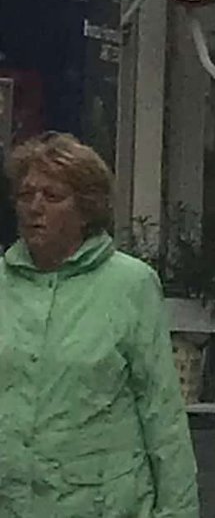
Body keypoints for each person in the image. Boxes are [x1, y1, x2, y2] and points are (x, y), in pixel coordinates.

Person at [0, 134, 198, 518]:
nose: (34, 207)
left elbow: (162, 411)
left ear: (86, 208)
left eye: (52, 196)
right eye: (26, 195)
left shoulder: (130, 284)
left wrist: (178, 509)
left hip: (104, 504)